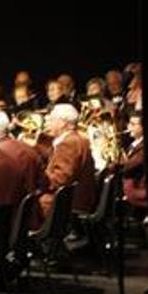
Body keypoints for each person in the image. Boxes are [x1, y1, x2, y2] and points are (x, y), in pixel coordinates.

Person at [37, 104, 97, 250]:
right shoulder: (78, 138)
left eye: (51, 120)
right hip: (78, 196)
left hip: (67, 202)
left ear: (63, 123)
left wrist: (37, 176)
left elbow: (60, 179)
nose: (47, 123)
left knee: (23, 204)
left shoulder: (69, 143)